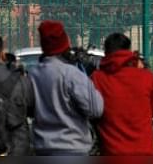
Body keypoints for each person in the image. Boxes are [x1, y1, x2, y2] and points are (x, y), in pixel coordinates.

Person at [29, 20, 104, 156]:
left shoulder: (33, 75)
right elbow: (95, 109)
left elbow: (28, 108)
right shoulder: (72, 74)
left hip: (42, 147)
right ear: (65, 44)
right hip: (72, 147)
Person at [91, 32, 153, 156]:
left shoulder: (97, 78)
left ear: (106, 52)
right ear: (129, 50)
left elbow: (93, 113)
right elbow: (151, 111)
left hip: (112, 151)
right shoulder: (147, 77)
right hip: (144, 150)